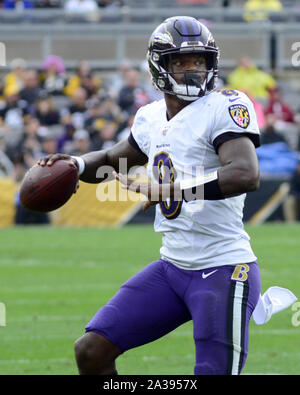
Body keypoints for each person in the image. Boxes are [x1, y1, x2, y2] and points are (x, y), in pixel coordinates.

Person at [38, 16, 295, 375]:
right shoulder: (150, 117)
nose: (192, 69)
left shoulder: (226, 105)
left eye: (199, 61)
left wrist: (168, 190)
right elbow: (114, 160)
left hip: (223, 268)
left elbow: (245, 174)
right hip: (172, 268)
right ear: (160, 66)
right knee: (92, 351)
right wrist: (75, 165)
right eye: (181, 62)